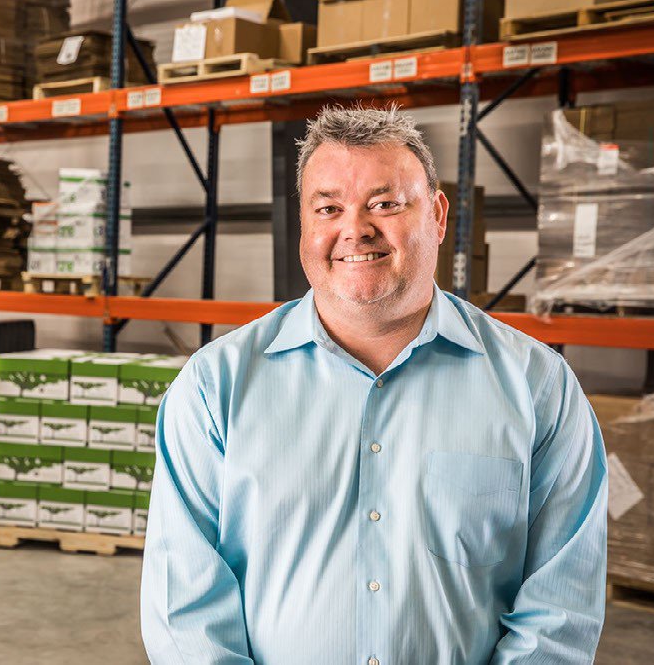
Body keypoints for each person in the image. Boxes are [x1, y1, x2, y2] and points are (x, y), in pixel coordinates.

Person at [139, 106, 607, 664]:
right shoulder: (214, 387)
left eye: (385, 204)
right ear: (306, 227)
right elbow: (183, 610)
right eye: (329, 208)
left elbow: (561, 608)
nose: (355, 229)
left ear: (436, 215)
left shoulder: (538, 388)